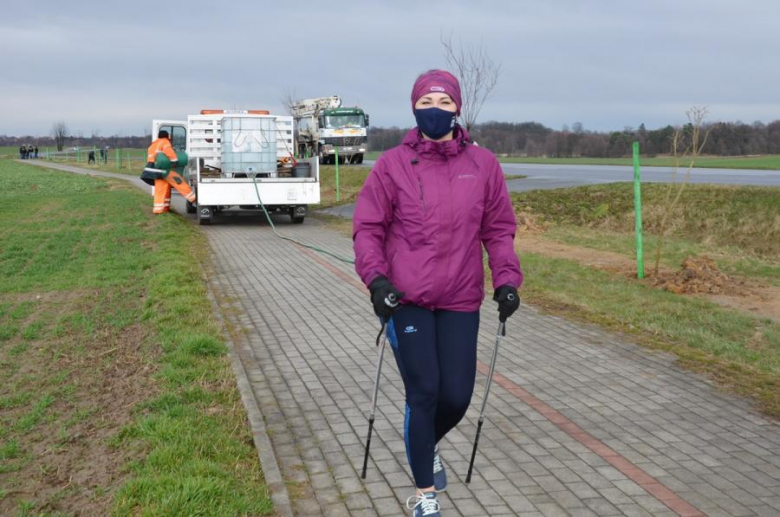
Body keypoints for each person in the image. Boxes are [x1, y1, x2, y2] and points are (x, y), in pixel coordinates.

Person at [353, 70, 523, 517]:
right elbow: (368, 230)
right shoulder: (391, 165)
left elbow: (499, 230)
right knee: (425, 391)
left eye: (444, 102)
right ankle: (425, 496)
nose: (435, 108)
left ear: (457, 109)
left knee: (456, 397)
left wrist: (507, 279)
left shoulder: (483, 165)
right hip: (406, 298)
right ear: (413, 107)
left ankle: (424, 442)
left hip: (460, 298)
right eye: (426, 100)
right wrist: (377, 280)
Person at [146, 130, 196, 214]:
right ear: (166, 136)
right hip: (164, 169)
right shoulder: (164, 142)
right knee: (179, 182)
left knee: (161, 190)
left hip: (154, 169)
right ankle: (193, 199)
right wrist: (175, 161)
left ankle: (160, 209)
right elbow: (169, 152)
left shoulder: (153, 145)